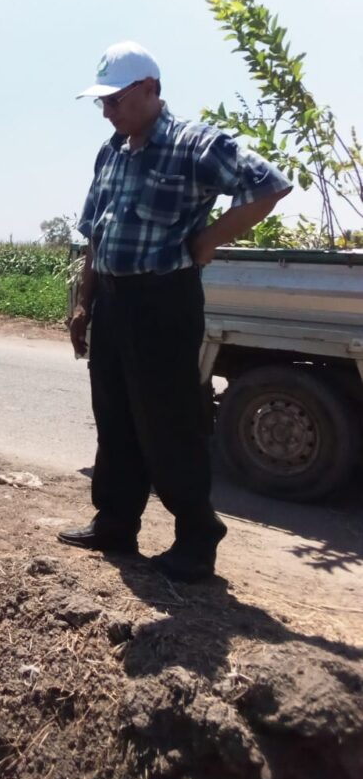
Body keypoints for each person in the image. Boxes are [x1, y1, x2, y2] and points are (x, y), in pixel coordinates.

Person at [59, 41, 292, 582]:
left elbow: (268, 185)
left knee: (169, 421)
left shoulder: (195, 144)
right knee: (114, 415)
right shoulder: (111, 151)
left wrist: (208, 241)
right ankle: (116, 522)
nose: (107, 111)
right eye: (102, 103)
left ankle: (195, 539)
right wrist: (84, 304)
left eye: (115, 100)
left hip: (164, 300)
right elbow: (96, 232)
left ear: (149, 91)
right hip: (114, 301)